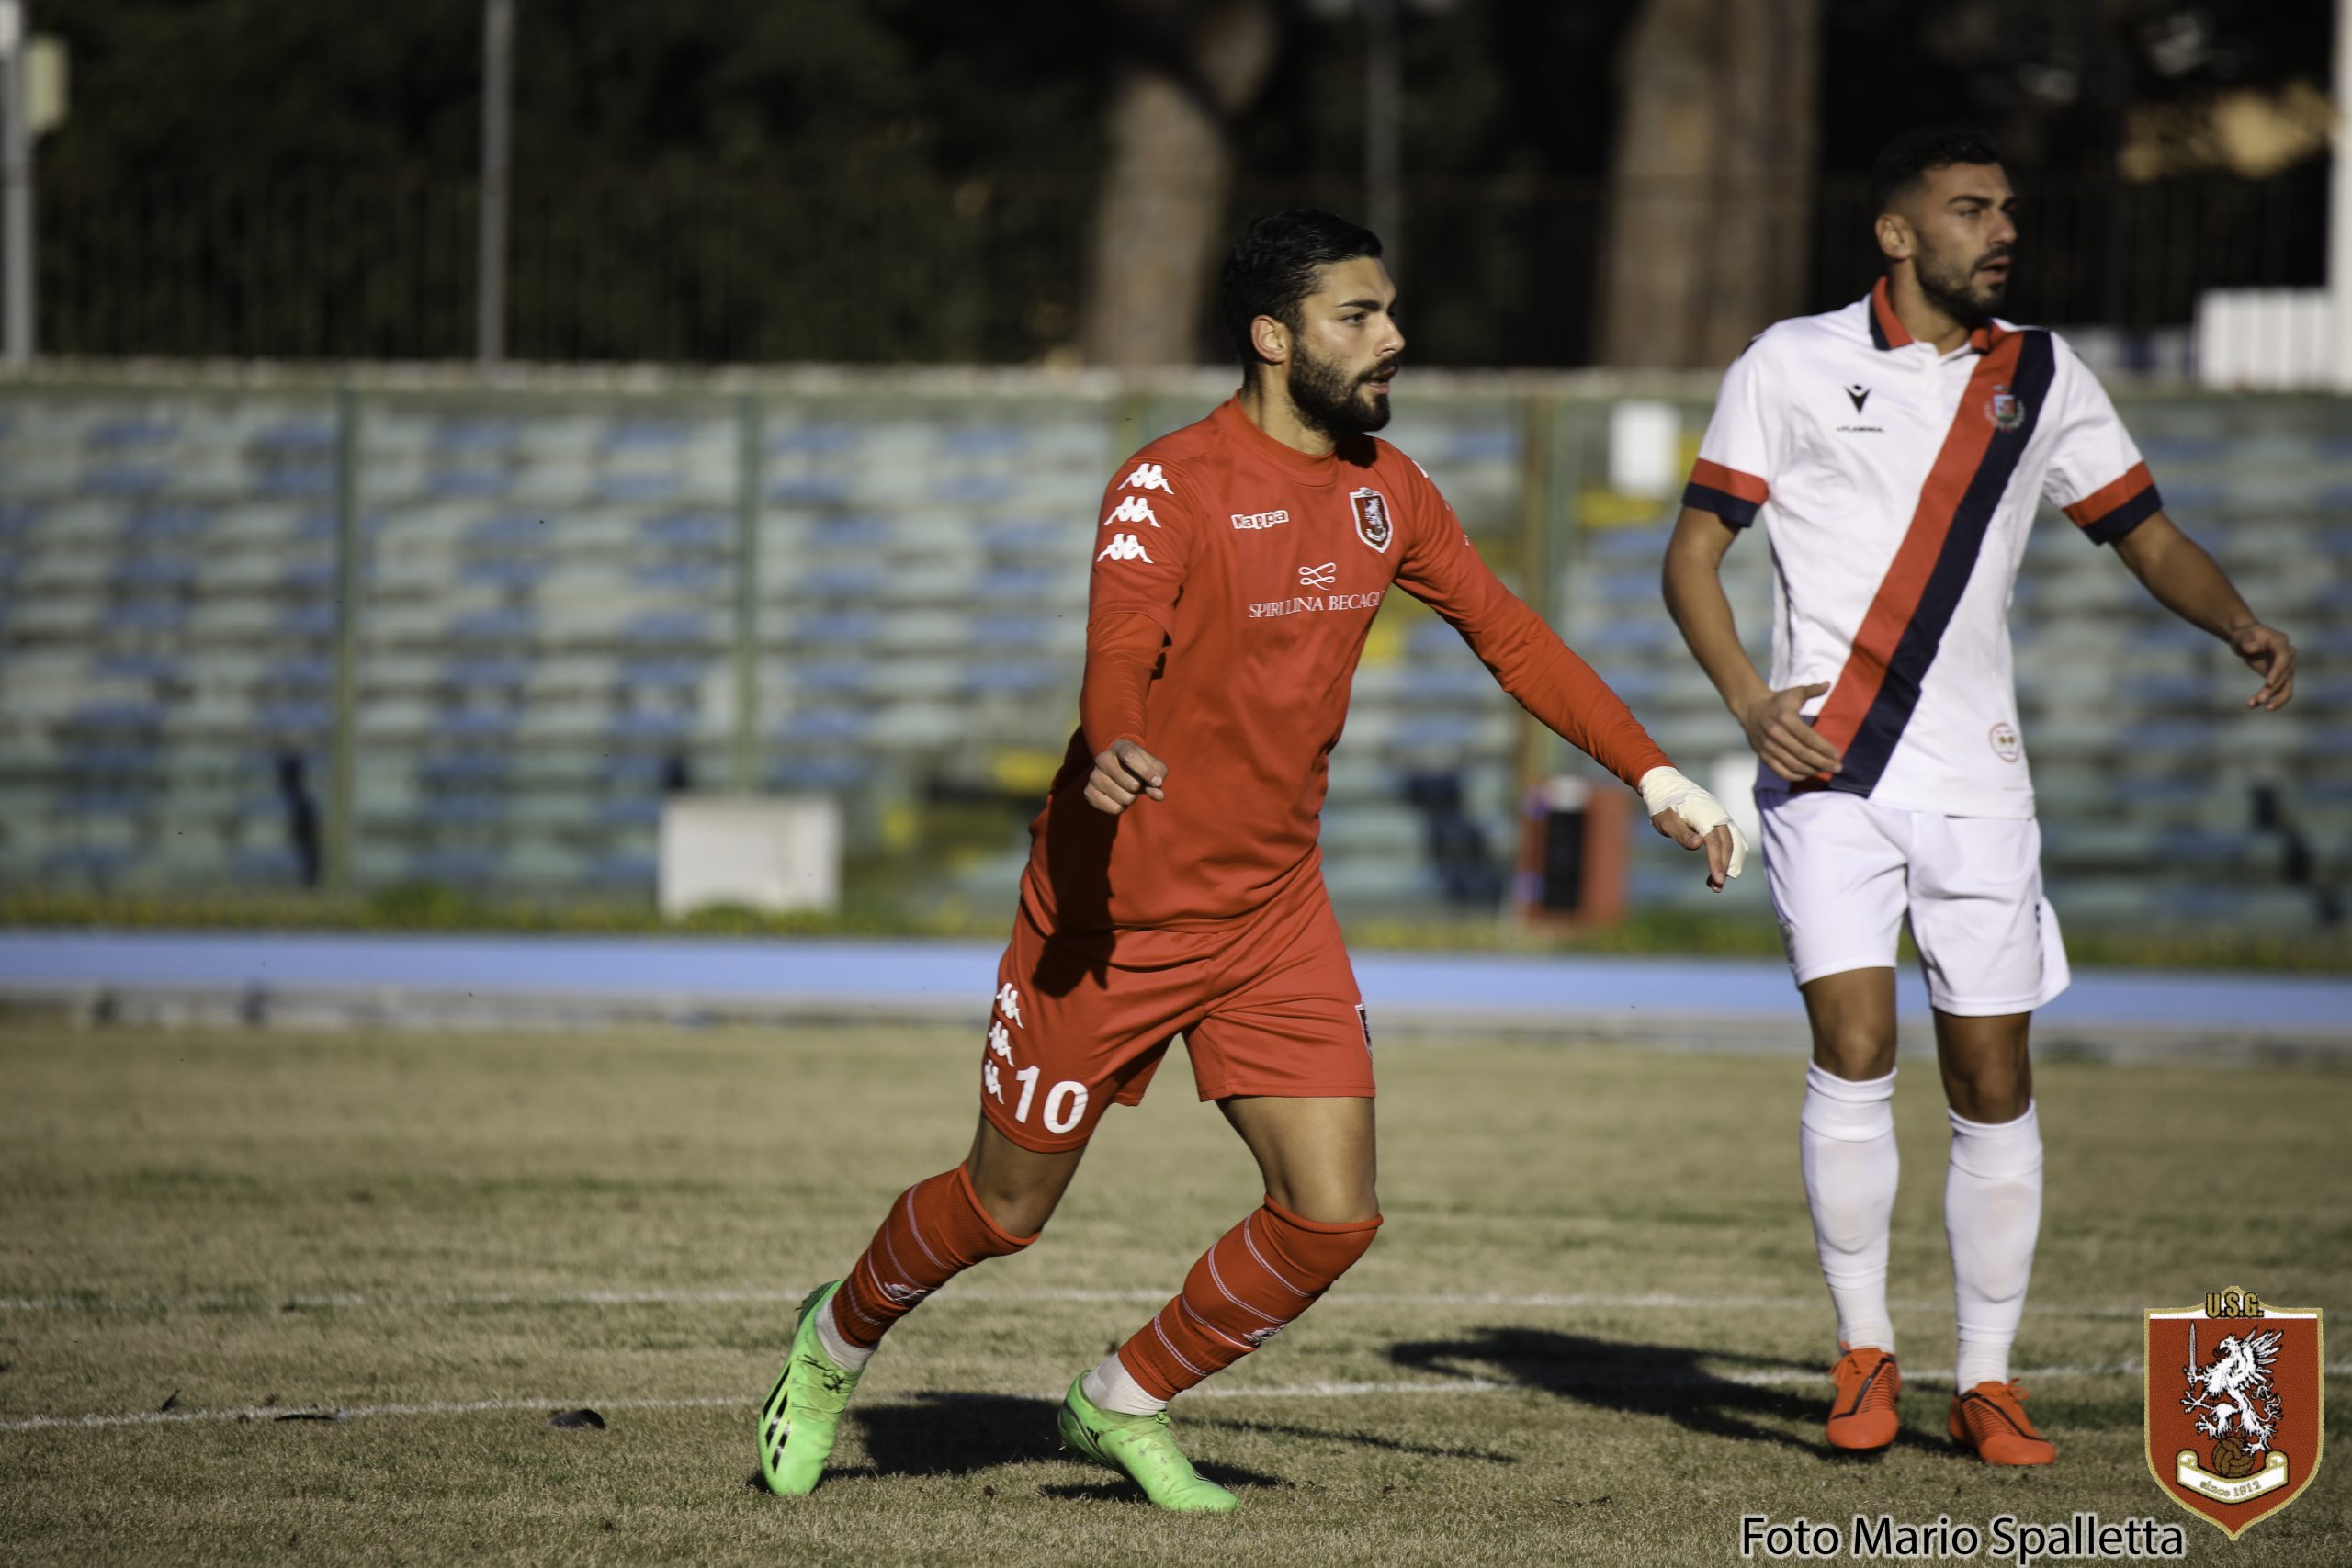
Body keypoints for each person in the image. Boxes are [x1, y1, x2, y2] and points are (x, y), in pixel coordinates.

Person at [757, 209, 1747, 1511]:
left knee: (1332, 1216)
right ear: (1274, 337)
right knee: (1003, 1212)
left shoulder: (1390, 491)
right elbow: (1119, 643)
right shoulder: (1168, 483)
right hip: (1109, 919)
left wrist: (1658, 777)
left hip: (1271, 916)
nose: (1394, 337)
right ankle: (833, 1342)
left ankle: (1124, 1398)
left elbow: (1511, 637)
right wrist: (1116, 739)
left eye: (1390, 310)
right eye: (1360, 316)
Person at [1663, 126, 2296, 1466]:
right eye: (1968, 209)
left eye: (2006, 208)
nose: (2001, 230)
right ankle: (1863, 1355)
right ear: (1896, 234)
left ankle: (1988, 1381)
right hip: (1827, 771)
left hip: (1980, 781)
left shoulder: (2048, 374)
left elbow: (2145, 532)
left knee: (1993, 1077)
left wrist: (2236, 620)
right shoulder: (1788, 361)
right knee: (1853, 1049)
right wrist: (1750, 706)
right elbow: (1692, 555)